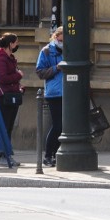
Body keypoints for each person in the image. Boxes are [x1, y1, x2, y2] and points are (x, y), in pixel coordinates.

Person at [36, 27, 64, 167]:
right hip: (54, 93)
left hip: (69, 93)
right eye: (62, 38)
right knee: (58, 125)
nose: (64, 41)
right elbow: (40, 72)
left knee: (66, 126)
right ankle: (48, 155)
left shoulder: (71, 49)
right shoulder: (47, 51)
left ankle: (57, 154)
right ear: (57, 36)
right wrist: (56, 68)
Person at [0, 33, 23, 151]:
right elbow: (3, 78)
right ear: (11, 44)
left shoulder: (10, 58)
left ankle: (7, 153)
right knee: (4, 126)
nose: (17, 44)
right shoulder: (0, 59)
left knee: (9, 127)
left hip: (11, 94)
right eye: (16, 42)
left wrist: (18, 86)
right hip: (3, 96)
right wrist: (18, 76)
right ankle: (1, 155)